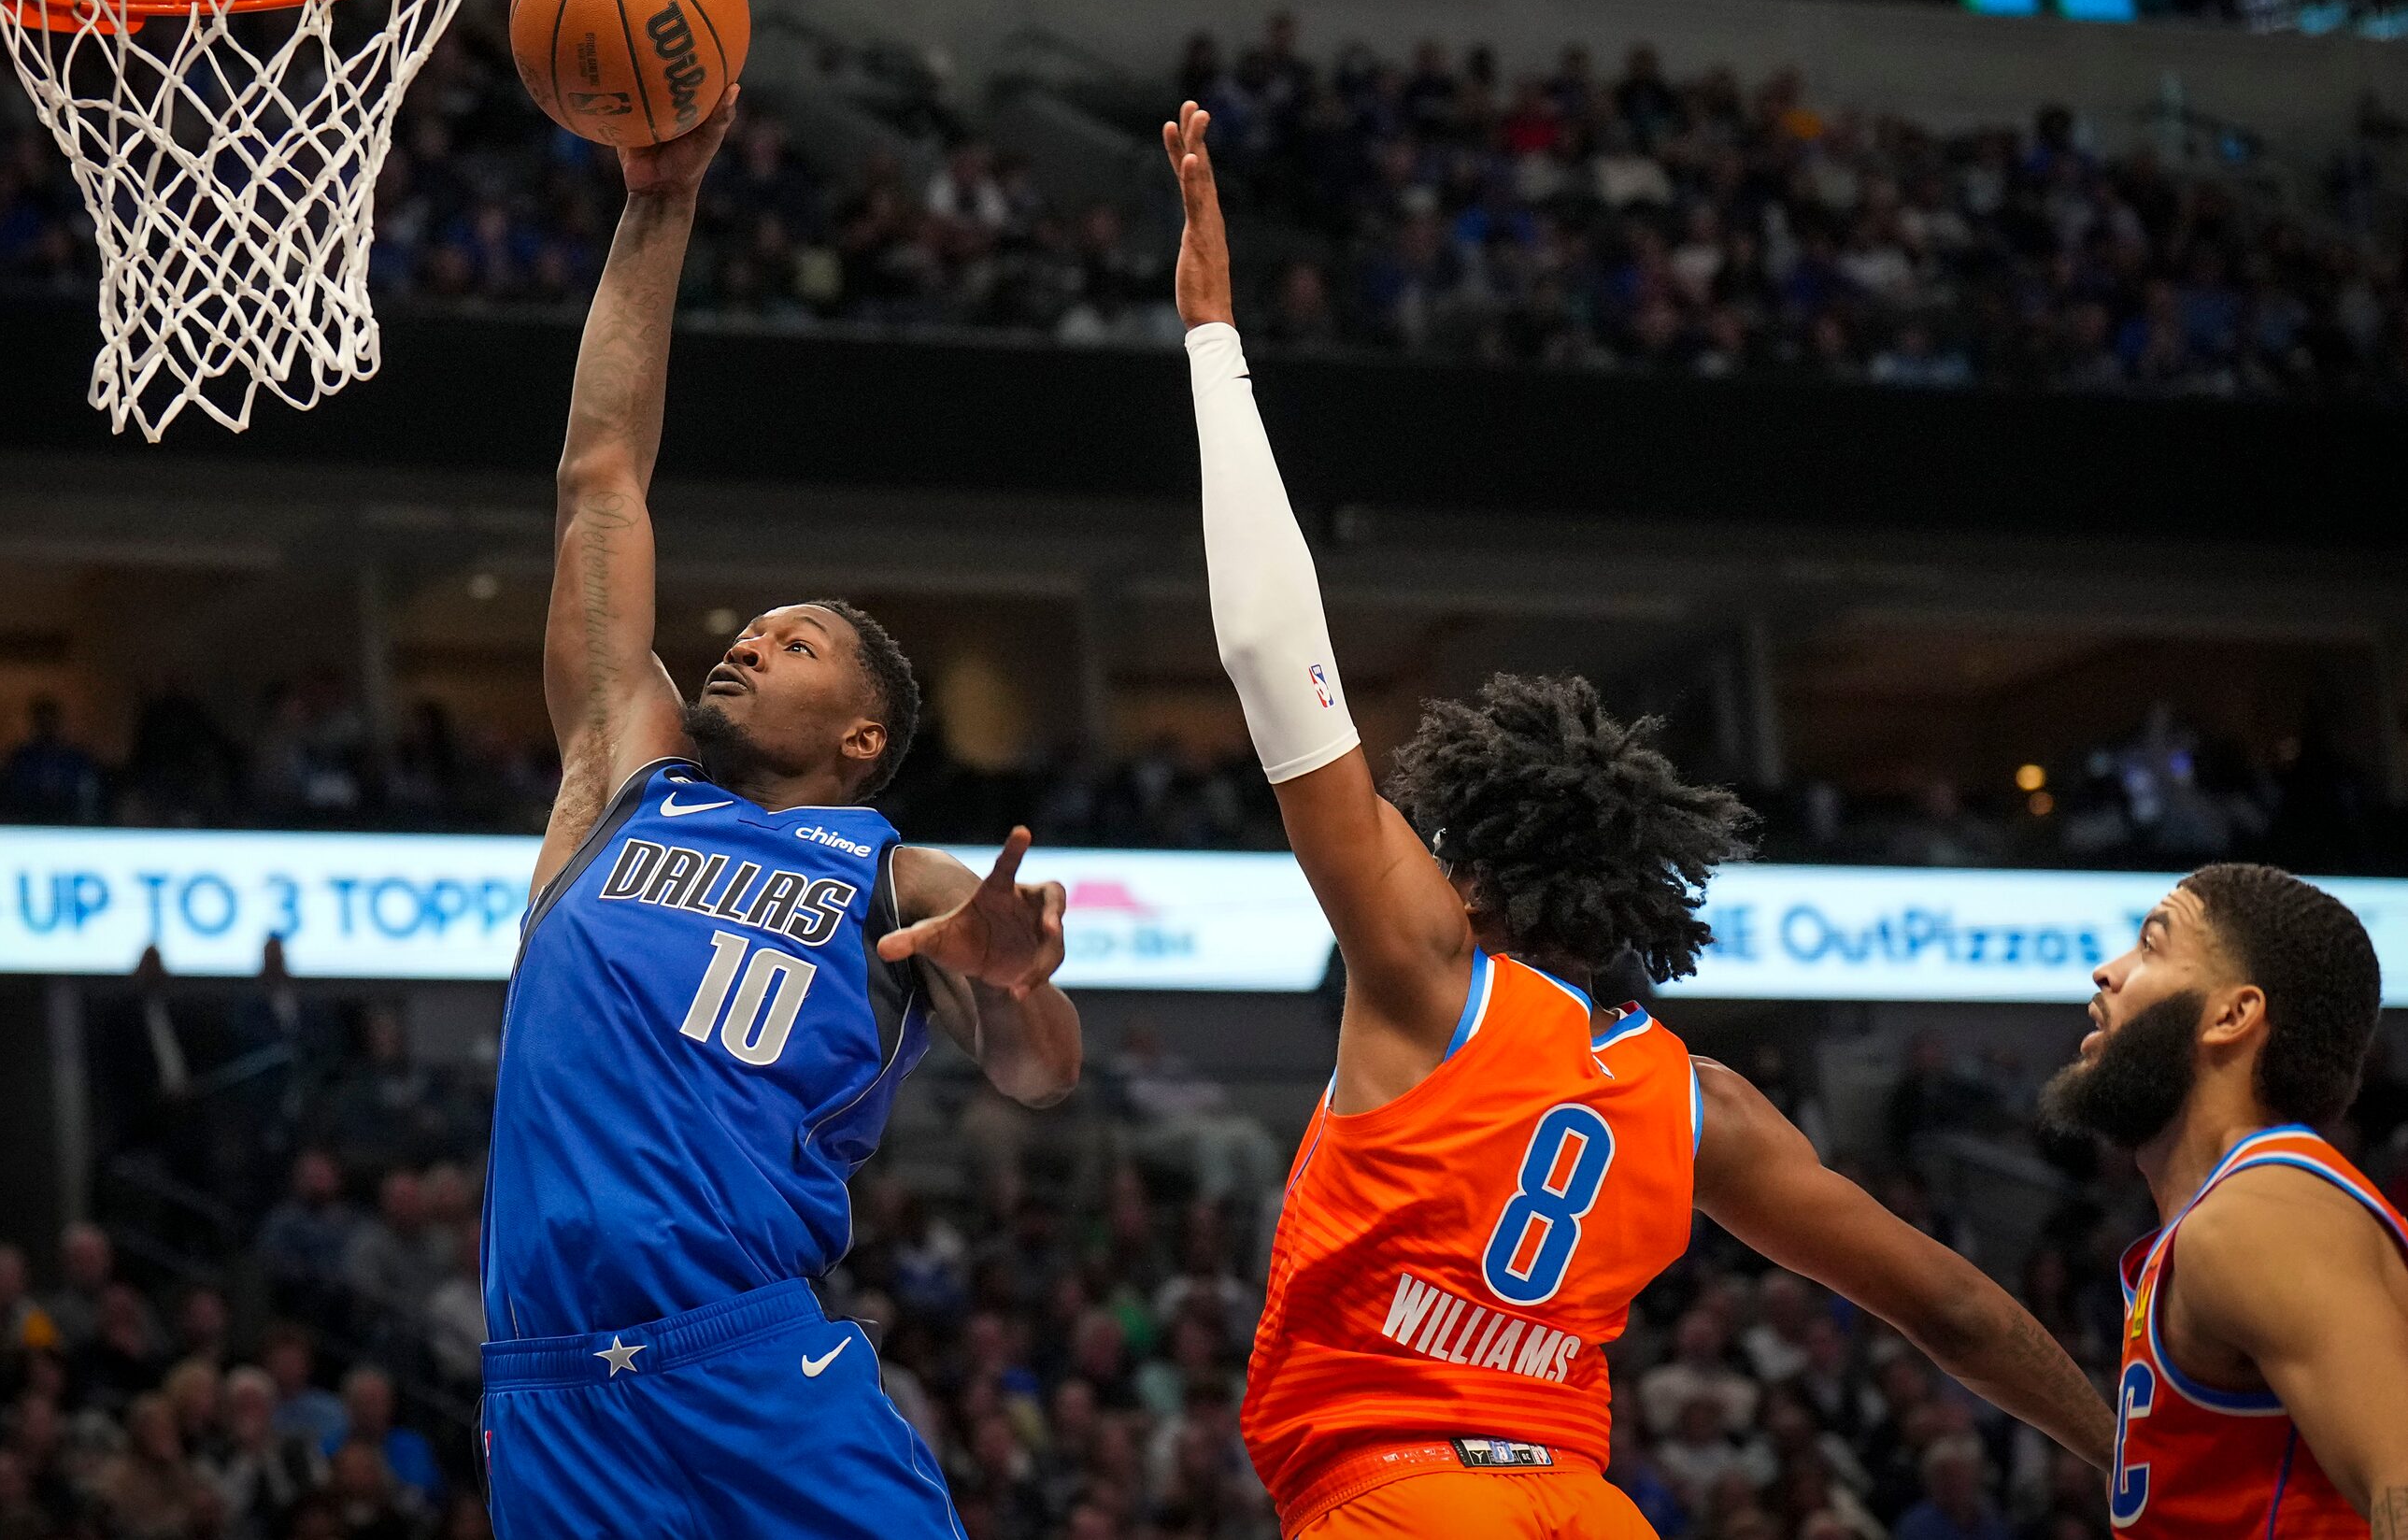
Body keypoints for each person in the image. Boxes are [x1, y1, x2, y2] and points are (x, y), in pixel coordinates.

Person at [1157, 99, 2114, 1540]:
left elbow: (1267, 656)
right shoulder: (1698, 1102)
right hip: (1593, 1508)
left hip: (1399, 1500)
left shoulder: (1422, 970)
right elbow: (1955, 1303)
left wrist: (1213, 343)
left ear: (1474, 873)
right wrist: (2126, 1459)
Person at [478, 88, 1084, 1540]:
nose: (746, 642)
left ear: (862, 733)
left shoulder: (893, 872)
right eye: (747, 630)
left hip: (750, 1358)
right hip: (549, 1386)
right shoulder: (618, 787)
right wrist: (657, 205)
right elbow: (599, 480)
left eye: (793, 641)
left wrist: (1017, 978)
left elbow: (1038, 1075)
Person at [2038, 863, 2408, 1538]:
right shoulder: (2232, 1216)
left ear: (2232, 1015)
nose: (2107, 972)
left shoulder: (2261, 1217)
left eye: (2151, 944)